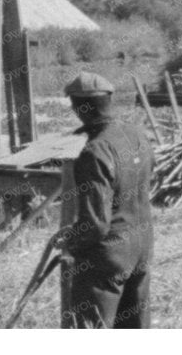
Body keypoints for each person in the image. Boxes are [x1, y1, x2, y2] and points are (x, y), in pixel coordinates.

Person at [58, 72, 154, 328]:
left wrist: (72, 240)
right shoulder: (137, 136)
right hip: (141, 245)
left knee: (90, 328)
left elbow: (96, 224)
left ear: (79, 107)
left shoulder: (94, 152)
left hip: (107, 257)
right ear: (109, 100)